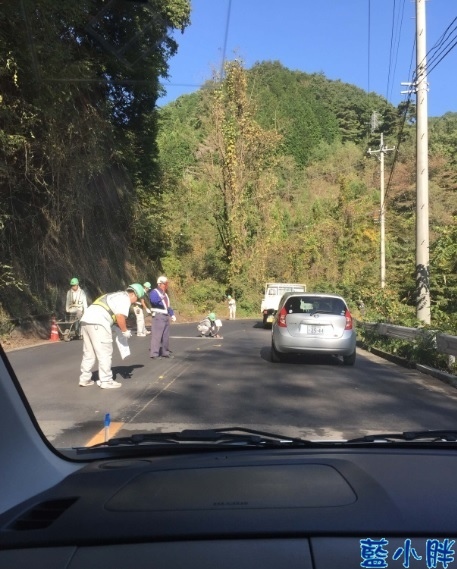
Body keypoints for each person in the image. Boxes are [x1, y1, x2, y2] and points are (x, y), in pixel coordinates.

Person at [79, 283, 145, 389]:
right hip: (99, 321)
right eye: (137, 298)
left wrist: (115, 326)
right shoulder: (125, 299)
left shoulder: (114, 295)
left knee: (89, 352)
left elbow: (110, 312)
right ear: (133, 294)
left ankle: (85, 378)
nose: (135, 301)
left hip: (86, 320)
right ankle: (106, 380)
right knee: (105, 351)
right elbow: (120, 316)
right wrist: (125, 331)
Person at [149, 276, 176, 359]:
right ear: (160, 284)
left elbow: (167, 306)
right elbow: (153, 301)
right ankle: (154, 354)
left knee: (165, 336)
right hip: (158, 316)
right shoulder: (155, 292)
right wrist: (161, 296)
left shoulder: (165, 294)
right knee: (157, 336)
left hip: (165, 316)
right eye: (164, 284)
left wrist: (172, 314)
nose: (166, 286)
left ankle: (165, 352)